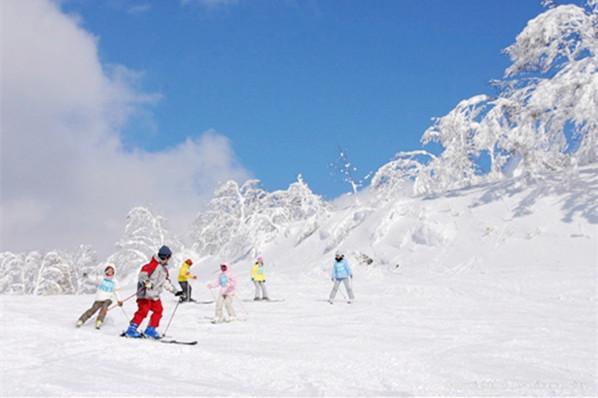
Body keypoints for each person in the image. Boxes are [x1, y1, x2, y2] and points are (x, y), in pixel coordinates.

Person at [125, 246, 183, 339]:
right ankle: (131, 329)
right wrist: (147, 283)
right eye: (168, 258)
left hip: (155, 295)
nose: (168, 260)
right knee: (143, 311)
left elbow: (165, 282)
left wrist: (175, 292)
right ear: (164, 257)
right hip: (145, 295)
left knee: (158, 310)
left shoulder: (164, 270)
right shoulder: (151, 265)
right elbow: (142, 276)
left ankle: (150, 330)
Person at [76, 264, 123, 329]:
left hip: (108, 298)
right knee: (93, 309)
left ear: (113, 272)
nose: (109, 272)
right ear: (105, 271)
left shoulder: (114, 281)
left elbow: (116, 292)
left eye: (111, 271)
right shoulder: (101, 279)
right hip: (99, 298)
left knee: (104, 308)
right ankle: (81, 320)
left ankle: (99, 321)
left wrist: (119, 300)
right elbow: (93, 279)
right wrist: (87, 276)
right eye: (108, 270)